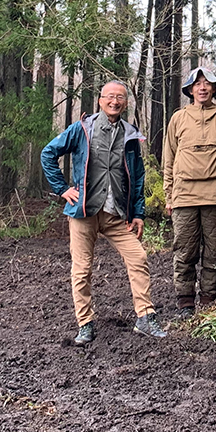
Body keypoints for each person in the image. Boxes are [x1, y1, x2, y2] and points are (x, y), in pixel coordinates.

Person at [41, 80, 167, 345]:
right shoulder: (82, 129)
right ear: (100, 100)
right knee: (82, 269)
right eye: (109, 96)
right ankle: (85, 324)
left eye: (120, 97)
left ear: (126, 103)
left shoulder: (130, 135)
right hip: (83, 212)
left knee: (138, 257)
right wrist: (62, 189)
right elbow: (48, 153)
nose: (114, 101)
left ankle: (145, 317)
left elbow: (138, 177)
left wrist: (138, 213)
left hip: (116, 214)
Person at [163, 67, 216, 318]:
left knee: (214, 252)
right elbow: (168, 160)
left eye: (207, 83)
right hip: (184, 196)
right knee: (185, 251)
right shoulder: (178, 118)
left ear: (215, 88)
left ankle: (208, 301)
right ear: (190, 90)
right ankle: (185, 303)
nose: (203, 87)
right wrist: (169, 195)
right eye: (197, 84)